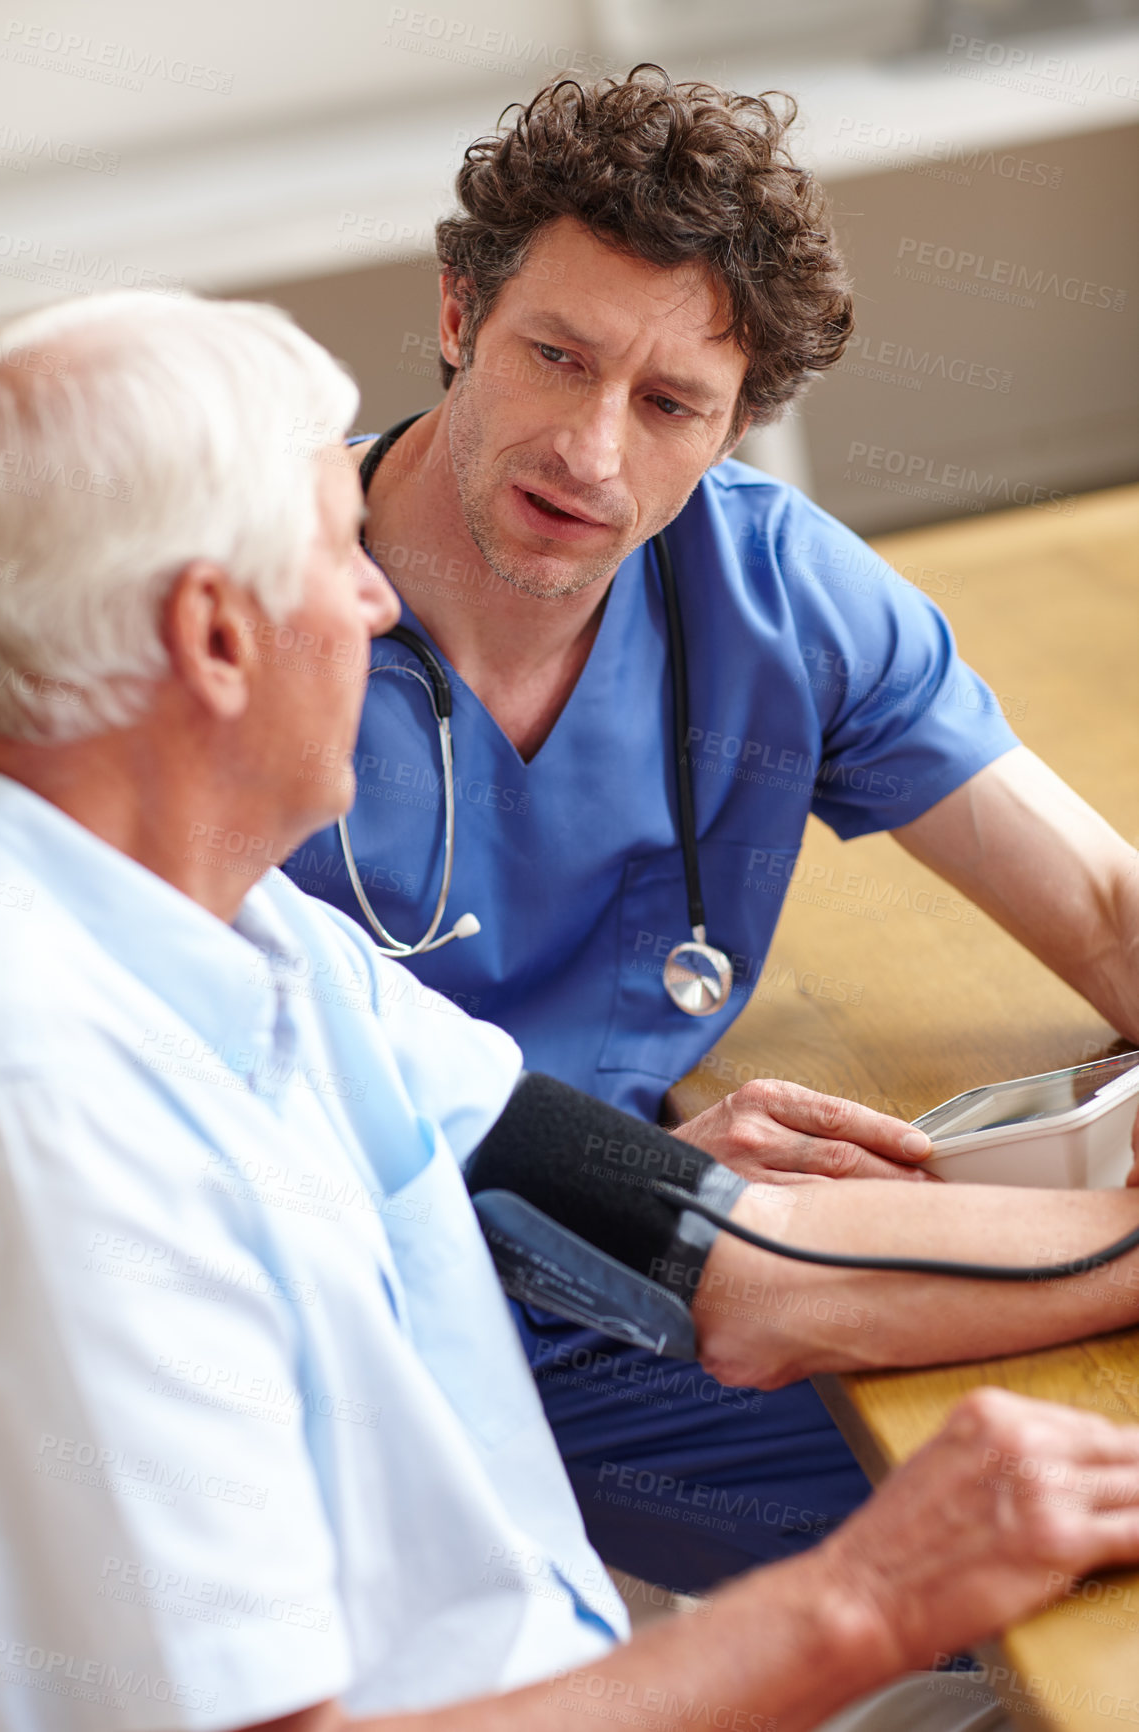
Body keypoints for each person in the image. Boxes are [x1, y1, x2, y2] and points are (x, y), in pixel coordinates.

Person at [0, 288, 1139, 1732]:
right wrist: (864, 1602)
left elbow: (719, 1255)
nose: (377, 600)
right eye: (330, 556)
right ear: (214, 635)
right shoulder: (50, 1108)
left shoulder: (249, 930)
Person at [282, 66, 1139, 1592]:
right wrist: (630, 1173)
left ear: (736, 425)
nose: (591, 453)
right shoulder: (237, 627)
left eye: (672, 404)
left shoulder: (767, 595)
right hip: (361, 1312)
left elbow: (1094, 904)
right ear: (458, 314)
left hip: (678, 1243)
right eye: (558, 357)